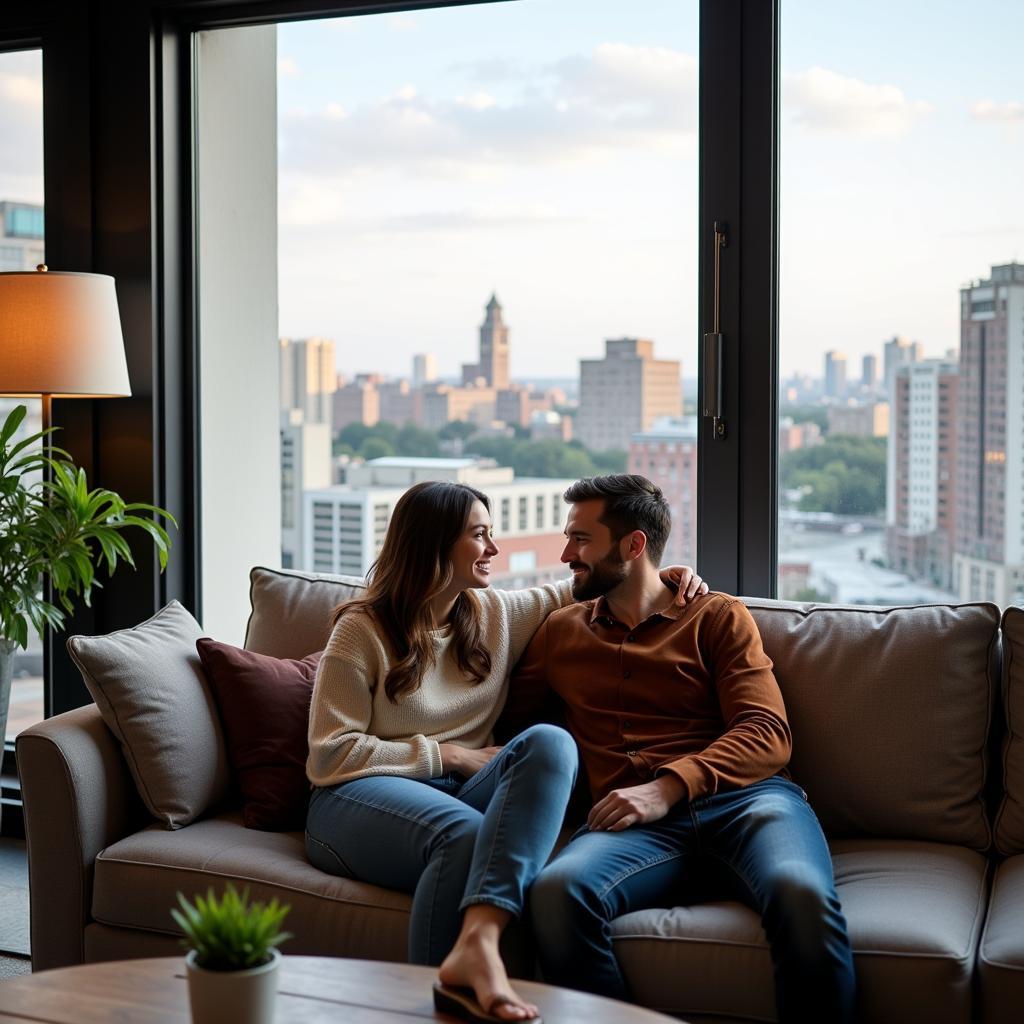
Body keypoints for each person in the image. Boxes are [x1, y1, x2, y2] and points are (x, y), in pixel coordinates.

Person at [304, 479, 707, 1024]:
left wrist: (669, 574)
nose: (493, 549)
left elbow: (597, 580)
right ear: (433, 544)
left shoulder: (495, 615)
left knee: (550, 743)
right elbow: (330, 755)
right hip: (352, 800)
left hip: (456, 795)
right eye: (479, 535)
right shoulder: (362, 630)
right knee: (466, 837)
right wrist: (449, 756)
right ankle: (453, 989)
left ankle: (475, 950)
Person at [507, 474, 857, 1024]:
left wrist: (667, 786)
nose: (565, 553)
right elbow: (507, 729)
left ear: (634, 544)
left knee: (800, 894)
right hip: (637, 830)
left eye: (580, 539)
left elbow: (768, 731)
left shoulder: (717, 616)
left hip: (749, 804)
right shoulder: (559, 631)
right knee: (557, 892)